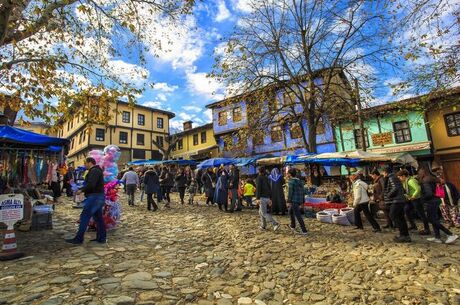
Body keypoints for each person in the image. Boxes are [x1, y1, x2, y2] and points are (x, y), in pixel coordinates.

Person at [66, 157, 106, 245]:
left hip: (95, 197)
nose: (84, 165)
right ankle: (101, 238)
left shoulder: (94, 171)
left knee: (84, 217)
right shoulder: (96, 171)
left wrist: (81, 190)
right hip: (97, 197)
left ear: (90, 163)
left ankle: (79, 239)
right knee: (98, 218)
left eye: (85, 163)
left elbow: (91, 184)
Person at [419, 168, 458, 244]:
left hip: (431, 202)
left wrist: (422, 198)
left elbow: (429, 194)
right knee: (434, 219)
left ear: (422, 173)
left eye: (419, 172)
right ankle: (437, 237)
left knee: (431, 219)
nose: (418, 174)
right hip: (436, 201)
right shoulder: (431, 179)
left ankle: (450, 234)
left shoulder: (425, 181)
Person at [397, 170, 431, 235]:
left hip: (416, 199)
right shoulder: (405, 182)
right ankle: (413, 225)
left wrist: (413, 196)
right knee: (406, 210)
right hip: (410, 199)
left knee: (421, 214)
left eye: (400, 177)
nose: (399, 178)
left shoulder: (411, 181)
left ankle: (427, 229)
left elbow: (418, 189)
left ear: (404, 176)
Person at [383, 167, 411, 243]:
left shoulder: (391, 177)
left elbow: (395, 188)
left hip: (397, 200)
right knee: (400, 217)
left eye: (383, 173)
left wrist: (389, 195)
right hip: (399, 200)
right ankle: (406, 235)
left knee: (393, 215)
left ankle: (403, 235)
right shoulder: (394, 177)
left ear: (385, 172)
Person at [256, 167, 280, 231]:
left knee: (264, 213)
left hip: (262, 197)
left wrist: (257, 198)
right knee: (260, 212)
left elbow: (258, 188)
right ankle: (263, 226)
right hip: (267, 197)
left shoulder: (259, 178)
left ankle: (275, 223)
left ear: (259, 171)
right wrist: (270, 198)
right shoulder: (266, 178)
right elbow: (270, 188)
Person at [286, 168, 308, 235]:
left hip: (294, 200)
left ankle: (304, 230)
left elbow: (290, 193)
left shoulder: (291, 182)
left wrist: (288, 201)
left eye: (288, 173)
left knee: (298, 215)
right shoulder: (300, 181)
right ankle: (293, 225)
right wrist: (302, 202)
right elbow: (303, 192)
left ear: (290, 174)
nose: (287, 174)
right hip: (299, 200)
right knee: (290, 211)